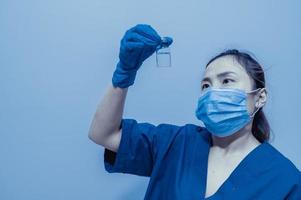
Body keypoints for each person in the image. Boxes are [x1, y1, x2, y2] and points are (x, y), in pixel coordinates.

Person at [88, 24, 301, 199]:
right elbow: (104, 134)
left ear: (260, 97)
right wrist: (124, 73)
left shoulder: (285, 180)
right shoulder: (175, 143)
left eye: (227, 81)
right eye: (206, 86)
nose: (213, 92)